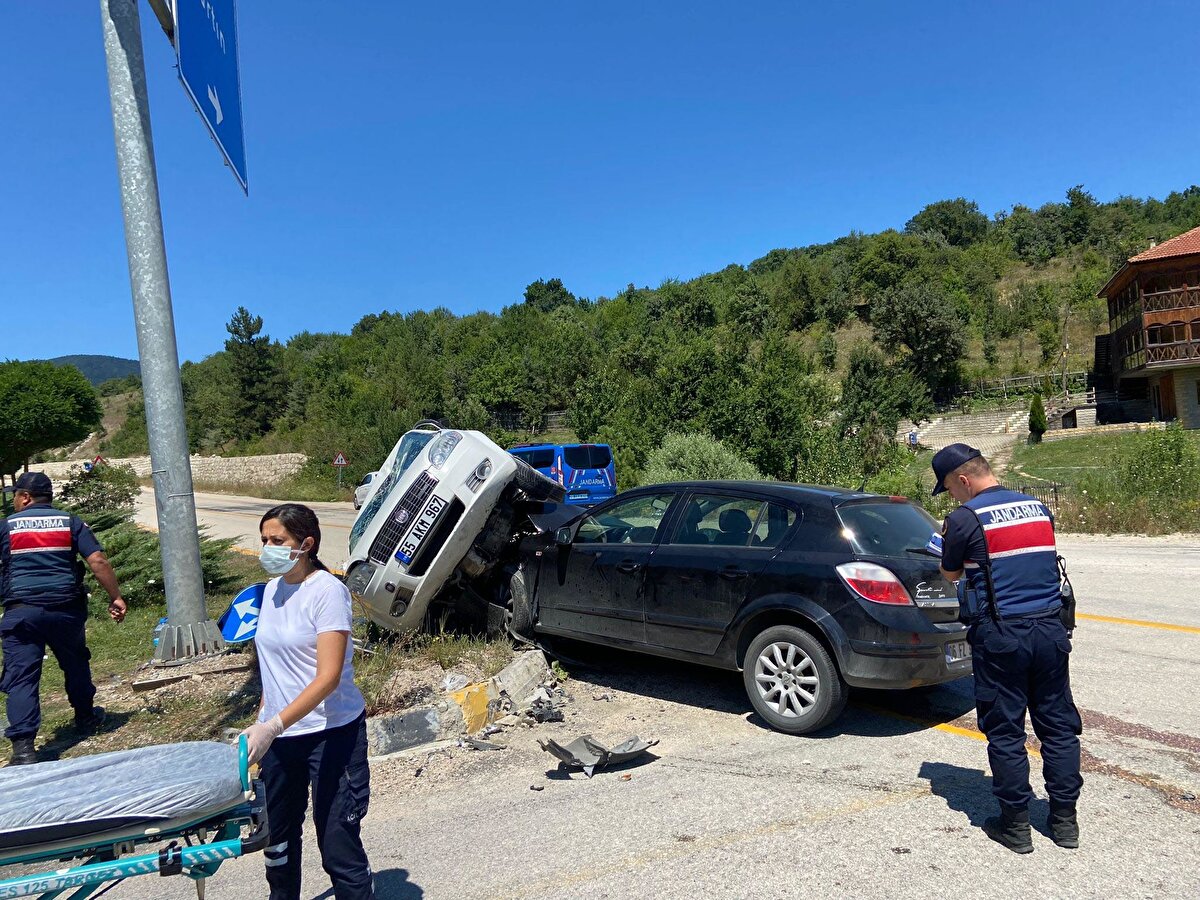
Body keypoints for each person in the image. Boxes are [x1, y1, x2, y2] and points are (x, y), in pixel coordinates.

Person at [932, 443, 1082, 854]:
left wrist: (945, 544)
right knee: (1058, 726)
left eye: (949, 488)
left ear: (963, 480)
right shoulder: (1037, 507)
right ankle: (1065, 822)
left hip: (1002, 637)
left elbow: (950, 573)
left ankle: (1015, 827)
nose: (952, 497)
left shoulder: (965, 518)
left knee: (1005, 731)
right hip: (1051, 630)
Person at [239, 503, 373, 899]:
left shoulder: (328, 591)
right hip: (279, 738)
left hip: (330, 735)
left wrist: (274, 724)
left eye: (277, 541)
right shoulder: (270, 591)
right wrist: (262, 721)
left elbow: (328, 677)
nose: (267, 548)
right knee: (276, 844)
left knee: (337, 847)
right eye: (264, 540)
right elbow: (273, 665)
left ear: (307, 543)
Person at [0, 472, 126, 766]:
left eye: (16, 496)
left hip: (21, 614)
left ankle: (23, 748)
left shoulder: (6, 527)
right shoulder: (70, 522)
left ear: (26, 497)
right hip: (65, 611)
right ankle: (84, 716)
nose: (15, 501)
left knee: (21, 677)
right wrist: (115, 596)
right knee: (75, 662)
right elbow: (97, 561)